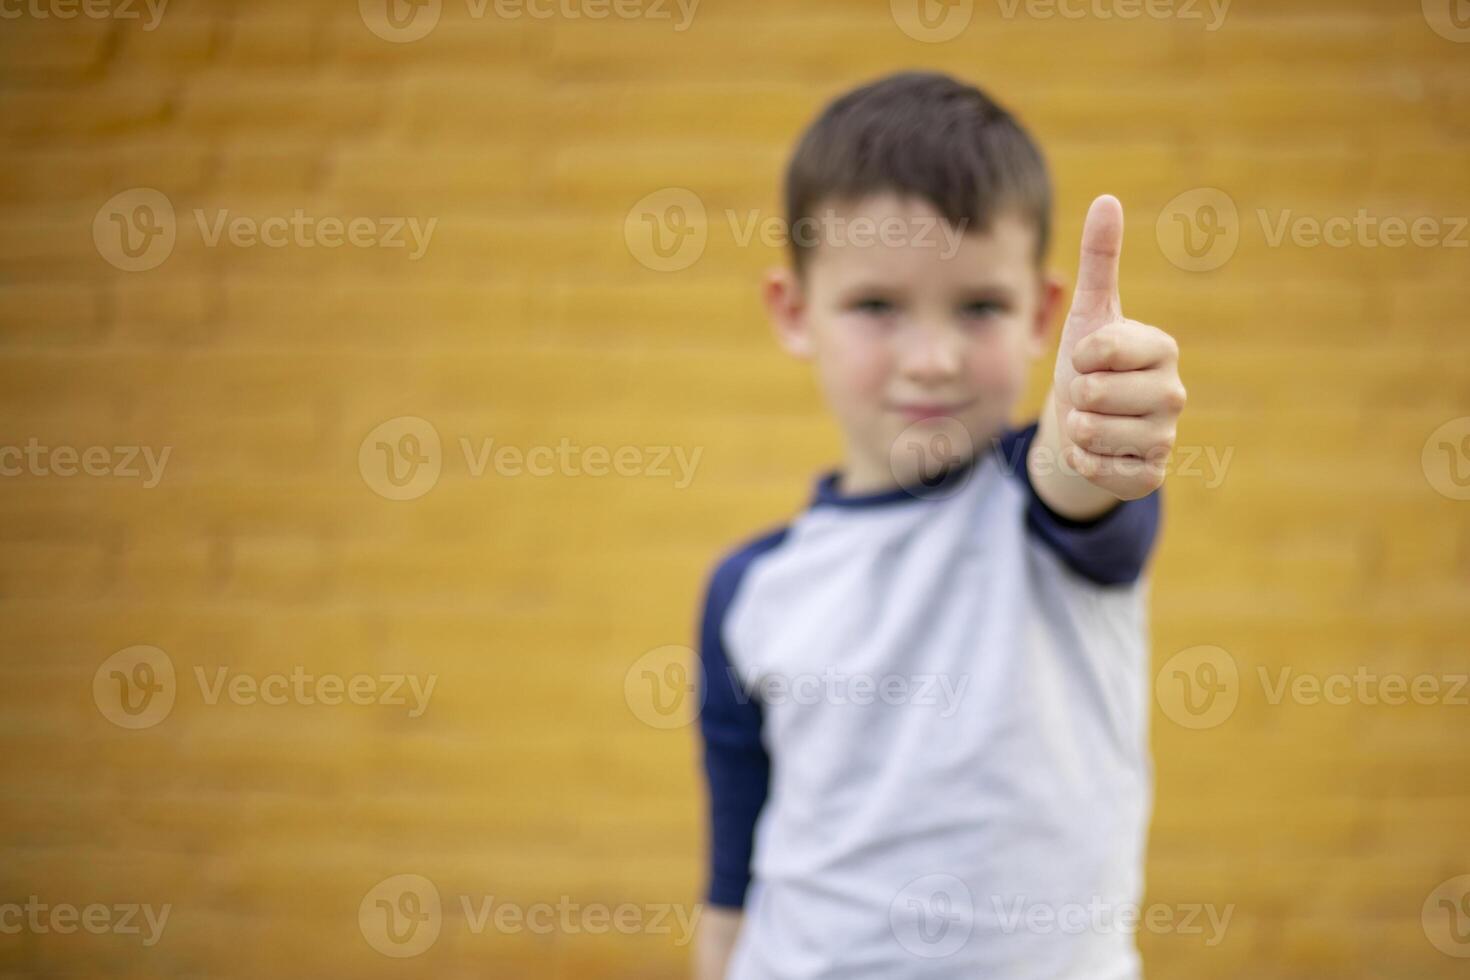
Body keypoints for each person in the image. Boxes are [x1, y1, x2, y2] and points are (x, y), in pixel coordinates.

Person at [692, 70, 1187, 979]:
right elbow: (733, 879)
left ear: (1042, 315)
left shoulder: (1048, 513)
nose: (932, 359)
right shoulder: (748, 588)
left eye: (980, 307)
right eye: (877, 306)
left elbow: (1079, 482)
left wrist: (1101, 426)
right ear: (795, 313)